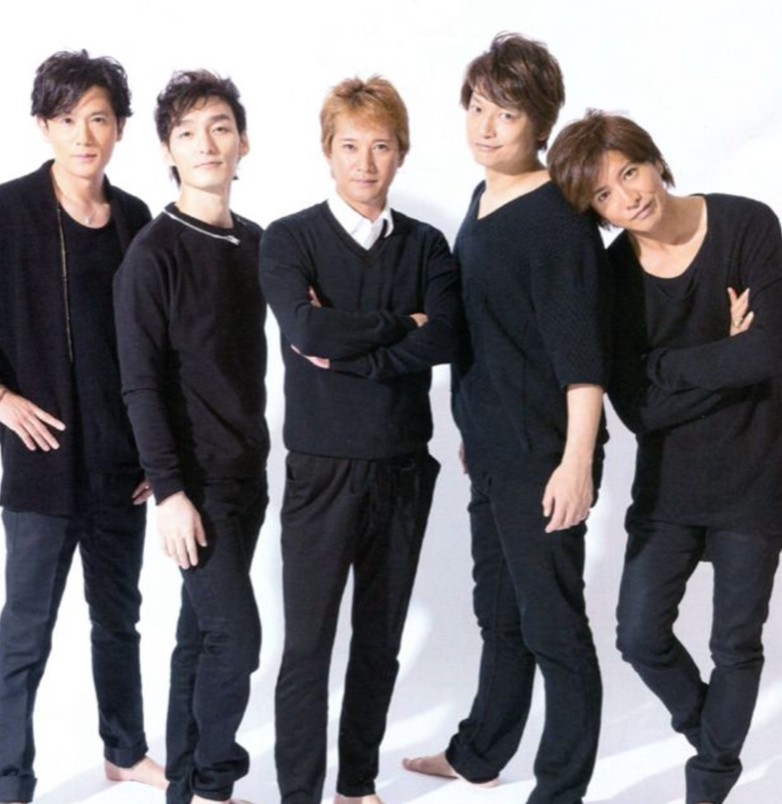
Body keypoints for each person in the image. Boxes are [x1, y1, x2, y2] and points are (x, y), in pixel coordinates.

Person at [548, 110, 782, 804]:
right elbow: (638, 411)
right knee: (638, 634)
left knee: (735, 645)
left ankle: (708, 783)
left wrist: (664, 367)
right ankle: (712, 732)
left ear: (653, 161)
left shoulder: (747, 224)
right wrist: (725, 355)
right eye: (605, 194)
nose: (628, 197)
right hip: (669, 485)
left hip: (756, 476)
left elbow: (770, 352)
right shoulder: (614, 276)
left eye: (630, 172)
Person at [402, 34, 610, 804]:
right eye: (478, 107)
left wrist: (576, 463)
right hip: (492, 448)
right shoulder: (484, 197)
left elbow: (582, 358)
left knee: (554, 627)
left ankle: (560, 790)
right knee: (498, 612)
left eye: (508, 113)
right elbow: (494, 333)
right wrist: (472, 426)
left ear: (541, 123)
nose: (487, 127)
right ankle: (480, 754)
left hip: (544, 455)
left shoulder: (556, 218)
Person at [260, 75, 460, 804]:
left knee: (380, 642)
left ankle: (356, 785)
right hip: (322, 470)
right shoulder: (289, 239)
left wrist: (357, 351)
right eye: (350, 146)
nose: (365, 162)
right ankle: (300, 794)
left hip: (403, 467)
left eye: (380, 146)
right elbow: (304, 329)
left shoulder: (427, 245)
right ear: (328, 151)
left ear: (401, 152)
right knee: (308, 645)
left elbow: (446, 337)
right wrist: (400, 325)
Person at [0, 50, 166, 804]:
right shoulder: (8, 212)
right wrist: (3, 399)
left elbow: (158, 344)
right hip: (41, 464)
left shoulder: (134, 218)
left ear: (120, 127)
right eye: (67, 119)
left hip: (120, 464)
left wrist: (157, 453)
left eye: (98, 118)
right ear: (43, 126)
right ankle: (10, 779)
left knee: (119, 620)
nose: (83, 135)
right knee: (24, 633)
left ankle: (124, 753)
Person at [113, 70, 269, 804]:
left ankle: (184, 783)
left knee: (201, 637)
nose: (205, 144)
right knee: (236, 639)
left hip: (250, 472)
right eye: (186, 132)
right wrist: (170, 491)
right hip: (195, 487)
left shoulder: (259, 243)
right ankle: (213, 783)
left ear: (243, 143)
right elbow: (139, 383)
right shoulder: (153, 255)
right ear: (167, 150)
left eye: (219, 128)